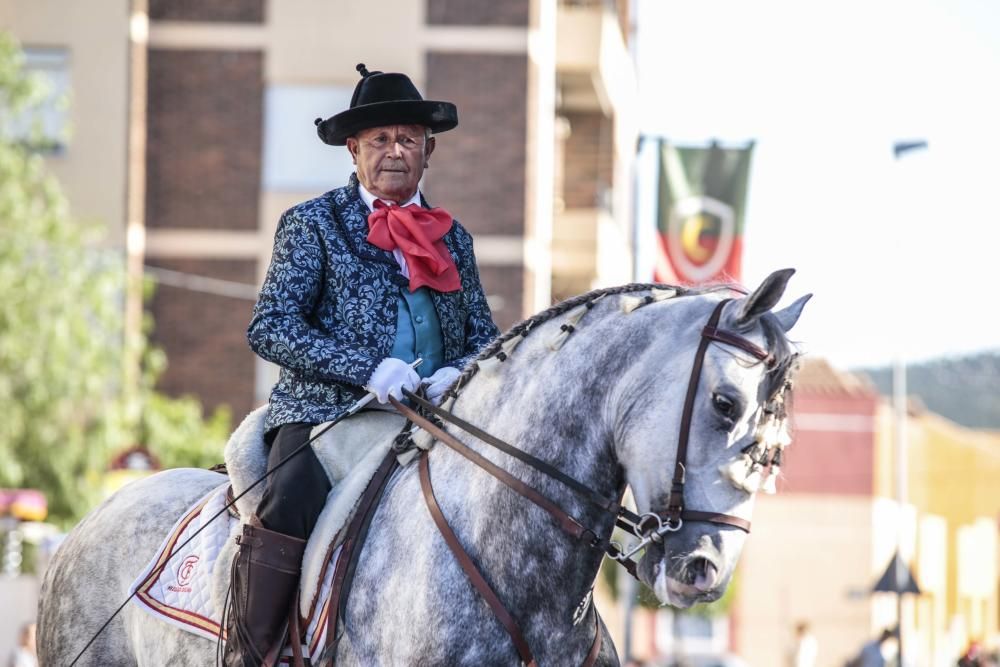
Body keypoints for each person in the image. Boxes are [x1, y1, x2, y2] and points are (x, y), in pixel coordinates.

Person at [223, 64, 499, 666]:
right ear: (354, 150)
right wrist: (367, 368)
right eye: (380, 139)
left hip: (434, 420)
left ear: (428, 151)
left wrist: (464, 372)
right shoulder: (312, 225)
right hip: (329, 415)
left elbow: (484, 335)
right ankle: (252, 651)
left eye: (408, 139)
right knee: (291, 497)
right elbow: (270, 328)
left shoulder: (457, 241)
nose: (395, 150)